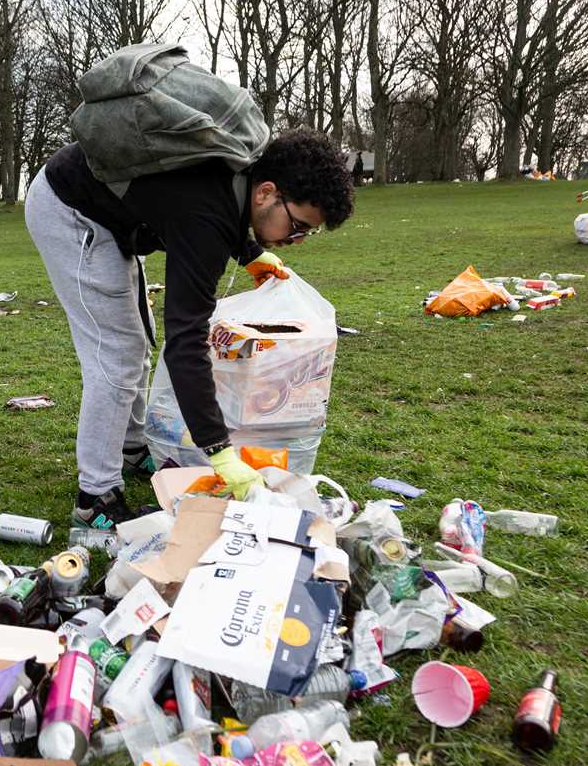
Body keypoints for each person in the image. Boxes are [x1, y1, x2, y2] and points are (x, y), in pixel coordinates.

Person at [26, 129, 355, 529]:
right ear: (266, 192)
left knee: (136, 349)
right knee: (116, 358)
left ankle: (131, 447)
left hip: (112, 215)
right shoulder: (208, 217)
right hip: (71, 211)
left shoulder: (241, 168)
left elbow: (215, 205)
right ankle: (95, 495)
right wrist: (219, 450)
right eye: (299, 226)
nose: (298, 239)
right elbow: (185, 341)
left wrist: (250, 253)